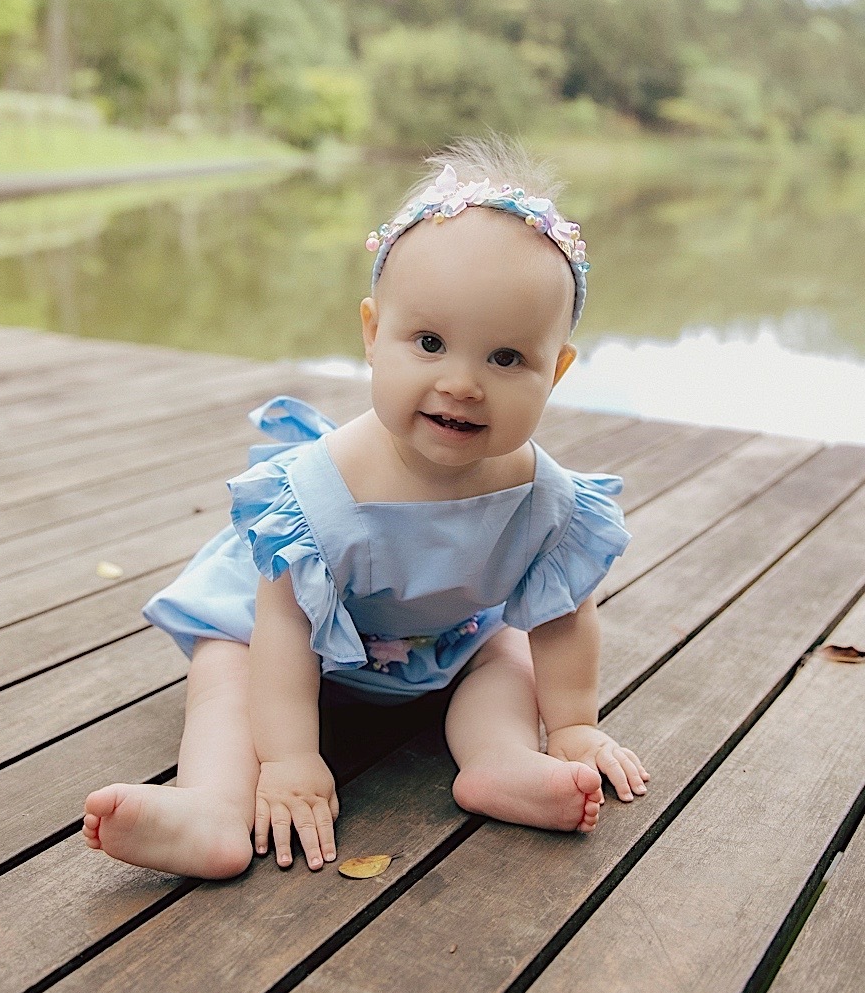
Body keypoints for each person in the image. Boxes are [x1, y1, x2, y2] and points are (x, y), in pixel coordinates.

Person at [83, 139, 649, 880]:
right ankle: (212, 806)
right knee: (227, 668)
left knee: (505, 652)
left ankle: (500, 761)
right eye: (430, 342)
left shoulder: (545, 501)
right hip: (285, 644)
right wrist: (289, 759)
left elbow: (563, 612)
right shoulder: (322, 492)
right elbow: (285, 623)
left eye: (506, 358)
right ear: (372, 334)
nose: (463, 383)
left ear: (558, 368)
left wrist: (572, 722)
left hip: (438, 639)